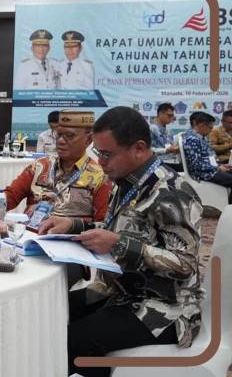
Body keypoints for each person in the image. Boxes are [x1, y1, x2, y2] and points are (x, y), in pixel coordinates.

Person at [38, 107, 203, 377]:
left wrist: (119, 244)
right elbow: (118, 230)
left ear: (139, 148)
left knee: (77, 339)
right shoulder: (127, 180)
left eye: (106, 154)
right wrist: (73, 225)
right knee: (54, 311)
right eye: (97, 152)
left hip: (167, 308)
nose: (100, 162)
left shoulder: (171, 192)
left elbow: (185, 264)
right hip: (119, 291)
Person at [0, 110, 111, 222]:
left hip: (70, 240)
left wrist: (67, 223)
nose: (60, 141)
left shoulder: (99, 176)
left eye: (69, 136)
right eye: (58, 134)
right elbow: (12, 194)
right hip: (31, 237)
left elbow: (101, 224)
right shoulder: (40, 166)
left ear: (88, 140)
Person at [182, 111, 232, 202]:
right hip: (204, 174)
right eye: (210, 127)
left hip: (209, 170)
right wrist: (217, 167)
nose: (211, 130)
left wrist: (219, 165)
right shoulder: (192, 139)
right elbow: (195, 165)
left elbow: (205, 159)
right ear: (201, 125)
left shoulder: (199, 137)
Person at [149, 102, 180, 169]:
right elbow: (148, 150)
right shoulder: (151, 129)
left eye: (172, 116)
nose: (171, 118)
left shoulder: (169, 131)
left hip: (172, 161)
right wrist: (166, 150)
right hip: (158, 164)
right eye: (169, 115)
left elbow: (171, 147)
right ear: (160, 114)